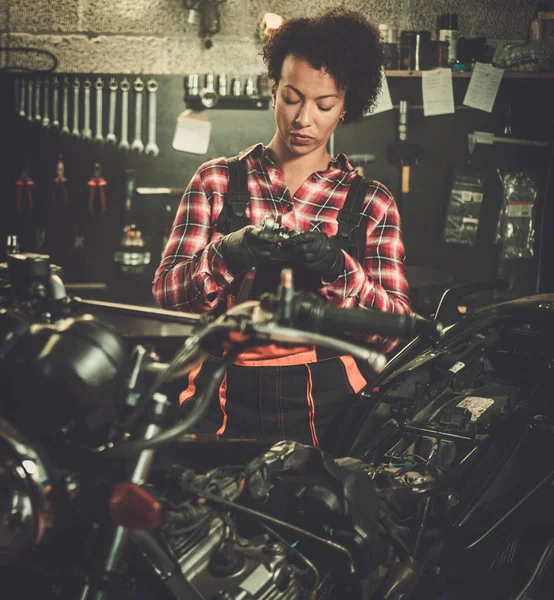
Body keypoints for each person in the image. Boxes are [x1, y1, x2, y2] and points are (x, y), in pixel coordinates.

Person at [153, 8, 411, 452]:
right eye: (292, 97)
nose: (303, 119)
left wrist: (338, 268)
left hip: (333, 413)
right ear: (273, 90)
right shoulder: (216, 181)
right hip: (222, 399)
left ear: (347, 106)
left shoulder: (371, 202)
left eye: (324, 105)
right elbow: (169, 294)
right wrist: (228, 253)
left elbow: (395, 329)